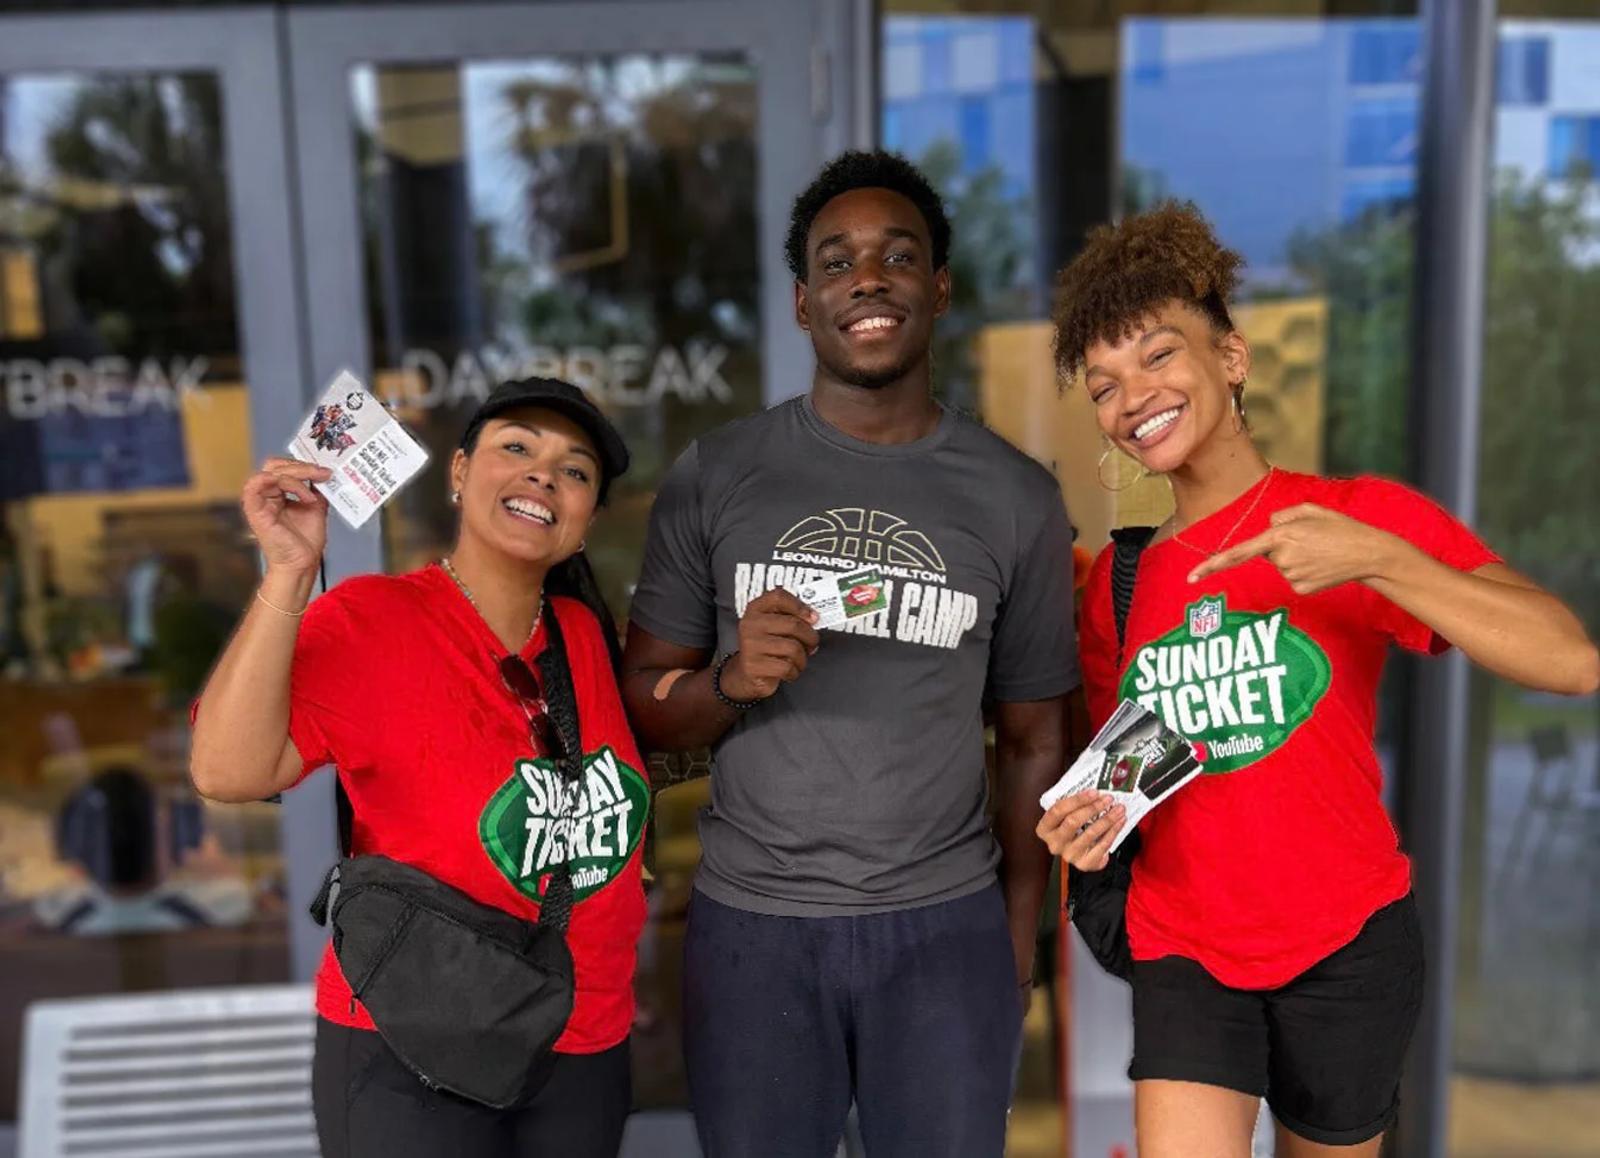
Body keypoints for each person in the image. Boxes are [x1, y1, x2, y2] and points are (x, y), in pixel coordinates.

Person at [1037, 203, 1600, 1158]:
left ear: (1233, 359)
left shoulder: (1352, 519)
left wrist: (1384, 561)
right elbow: (1125, 772)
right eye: (1104, 385)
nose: (1133, 396)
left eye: (1159, 355)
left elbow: (1570, 659)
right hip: (1187, 947)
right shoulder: (1121, 588)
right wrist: (1086, 828)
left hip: (1347, 941)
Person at [621, 149, 1083, 1158]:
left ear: (939, 288)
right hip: (754, 931)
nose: (866, 277)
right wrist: (730, 682)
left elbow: (1036, 734)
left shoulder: (1016, 498)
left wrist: (1018, 929)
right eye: (837, 261)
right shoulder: (717, 475)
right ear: (801, 302)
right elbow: (642, 710)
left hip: (945, 927)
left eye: (897, 256)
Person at [190, 378, 647, 1158]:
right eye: (517, 448)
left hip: (583, 1039)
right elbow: (228, 771)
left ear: (586, 521)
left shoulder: (583, 632)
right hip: (413, 1042)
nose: (545, 475)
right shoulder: (371, 619)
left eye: (575, 471)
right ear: (461, 472)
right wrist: (290, 572)